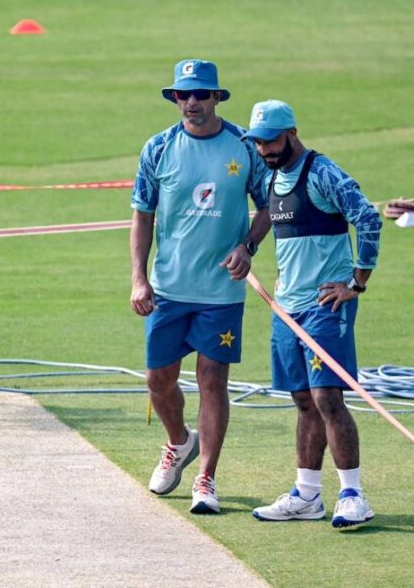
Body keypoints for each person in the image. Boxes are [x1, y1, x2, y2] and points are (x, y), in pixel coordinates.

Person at [130, 59, 271, 514]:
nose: (192, 103)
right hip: (169, 289)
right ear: (175, 99)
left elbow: (269, 206)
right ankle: (179, 442)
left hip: (221, 293)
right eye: (183, 95)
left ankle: (206, 480)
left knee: (213, 381)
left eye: (201, 95)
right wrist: (138, 277)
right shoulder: (157, 148)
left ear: (216, 98)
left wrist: (248, 246)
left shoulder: (244, 148)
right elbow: (142, 216)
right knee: (158, 380)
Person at [243, 99, 382, 528]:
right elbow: (271, 222)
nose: (264, 150)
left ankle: (353, 494)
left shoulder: (322, 173)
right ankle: (306, 495)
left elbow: (369, 218)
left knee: (327, 398)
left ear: (292, 132)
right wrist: (246, 248)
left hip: (325, 305)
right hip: (287, 309)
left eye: (270, 141)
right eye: (259, 143)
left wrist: (356, 284)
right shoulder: (271, 177)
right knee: (302, 400)